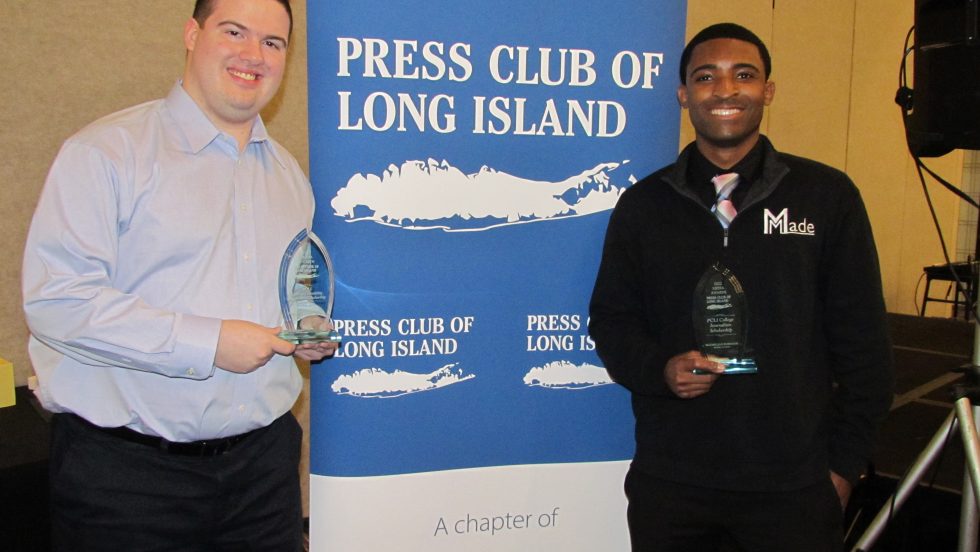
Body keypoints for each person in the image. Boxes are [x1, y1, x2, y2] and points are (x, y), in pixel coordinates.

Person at [21, 0, 337, 549]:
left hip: (263, 474)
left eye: (272, 42)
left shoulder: (290, 177)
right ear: (193, 34)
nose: (252, 55)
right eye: (234, 31)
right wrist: (210, 342)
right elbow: (58, 302)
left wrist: (303, 322)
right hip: (129, 482)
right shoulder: (106, 154)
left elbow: (291, 281)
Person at [588, 22, 894, 551]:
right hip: (673, 483)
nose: (725, 90)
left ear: (767, 91)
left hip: (794, 488)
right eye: (706, 77)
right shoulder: (644, 205)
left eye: (744, 75)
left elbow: (864, 344)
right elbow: (612, 321)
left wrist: (843, 469)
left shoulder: (826, 196)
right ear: (684, 95)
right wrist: (659, 369)